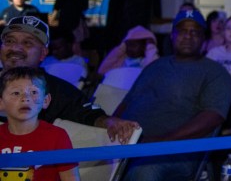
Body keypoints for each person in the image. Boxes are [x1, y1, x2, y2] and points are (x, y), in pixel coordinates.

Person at [114, 9, 231, 181]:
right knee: (71, 161)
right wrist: (111, 128)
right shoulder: (155, 67)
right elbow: (126, 104)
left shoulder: (215, 73)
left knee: (145, 173)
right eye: (183, 30)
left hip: (177, 154)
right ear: (173, 35)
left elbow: (212, 117)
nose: (188, 36)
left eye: (195, 32)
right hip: (129, 145)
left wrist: (161, 142)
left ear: (204, 39)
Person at [0, 16, 138, 143]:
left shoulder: (57, 89)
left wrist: (110, 122)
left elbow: (88, 112)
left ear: (43, 53)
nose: (15, 48)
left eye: (27, 43)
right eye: (9, 41)